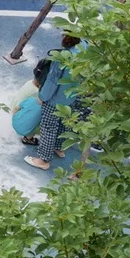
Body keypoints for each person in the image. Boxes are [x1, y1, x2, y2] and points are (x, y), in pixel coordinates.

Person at [24, 33, 84, 171]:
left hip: (55, 99)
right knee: (65, 123)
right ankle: (59, 147)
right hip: (72, 96)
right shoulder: (84, 48)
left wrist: (42, 97)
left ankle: (43, 159)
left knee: (48, 127)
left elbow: (52, 81)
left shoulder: (61, 58)